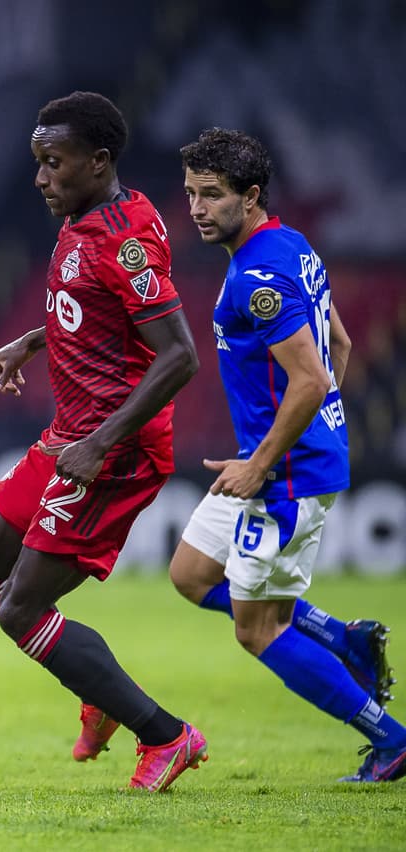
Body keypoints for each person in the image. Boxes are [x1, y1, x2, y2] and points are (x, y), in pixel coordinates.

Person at [0, 91, 207, 792]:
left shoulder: (124, 241)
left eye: (53, 163)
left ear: (98, 162)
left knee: (21, 611)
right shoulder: (84, 218)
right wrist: (35, 339)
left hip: (114, 450)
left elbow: (179, 355)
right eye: (38, 162)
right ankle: (98, 688)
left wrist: (100, 444)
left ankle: (167, 735)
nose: (40, 177)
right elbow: (98, 308)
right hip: (70, 435)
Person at [167, 127, 404, 783]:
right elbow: (339, 345)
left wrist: (265, 460)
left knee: (257, 630)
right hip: (282, 458)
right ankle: (343, 637)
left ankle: (391, 740)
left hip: (283, 474)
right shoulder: (290, 245)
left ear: (251, 196)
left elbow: (311, 378)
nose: (197, 208)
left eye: (212, 195)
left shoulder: (259, 274)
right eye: (190, 194)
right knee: (191, 573)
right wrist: (307, 431)